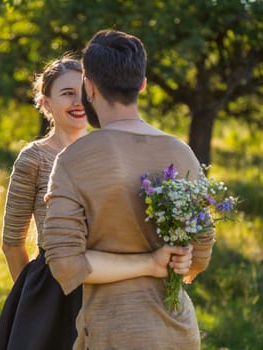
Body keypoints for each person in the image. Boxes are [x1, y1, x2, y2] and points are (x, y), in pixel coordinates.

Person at [42, 30, 215, 350]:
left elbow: (65, 264)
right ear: (142, 84)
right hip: (178, 332)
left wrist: (148, 262)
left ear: (88, 87)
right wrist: (169, 260)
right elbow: (199, 254)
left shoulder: (74, 160)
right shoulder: (181, 153)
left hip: (113, 332)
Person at [0, 55, 87, 350]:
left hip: (105, 287)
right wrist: (34, 300)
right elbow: (12, 243)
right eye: (67, 93)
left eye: (84, 92)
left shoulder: (106, 151)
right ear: (46, 103)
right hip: (50, 289)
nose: (78, 101)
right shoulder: (33, 158)